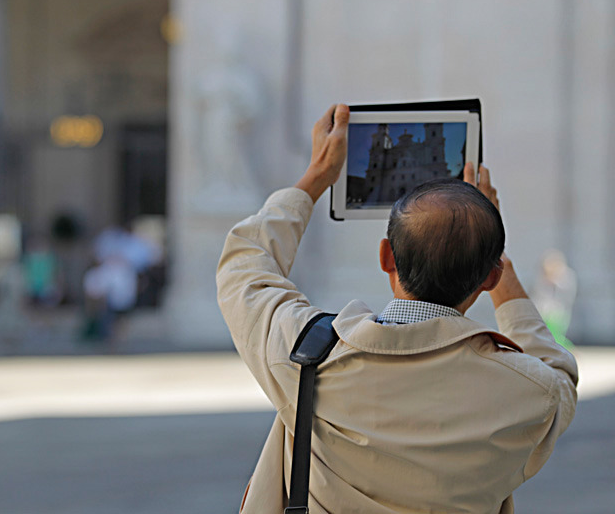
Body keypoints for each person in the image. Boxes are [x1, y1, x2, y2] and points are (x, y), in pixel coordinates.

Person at [216, 104, 578, 513]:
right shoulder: (531, 392)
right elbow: (558, 372)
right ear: (490, 278)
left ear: (386, 257)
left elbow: (245, 268)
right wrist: (489, 249)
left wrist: (316, 176)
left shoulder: (304, 356)